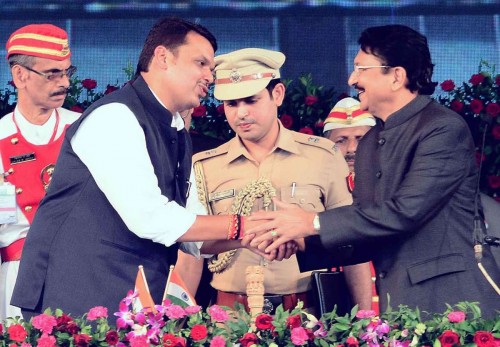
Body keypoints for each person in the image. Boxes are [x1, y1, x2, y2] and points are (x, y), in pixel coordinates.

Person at [11, 17, 284, 320]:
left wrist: (252, 235)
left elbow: (191, 234)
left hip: (128, 304)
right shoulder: (114, 117)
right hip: (76, 300)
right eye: (201, 63)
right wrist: (244, 225)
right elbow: (150, 218)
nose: (210, 75)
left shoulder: (175, 129)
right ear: (163, 57)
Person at [249, 25, 500, 318]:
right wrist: (303, 241)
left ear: (396, 76)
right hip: (400, 310)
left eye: (361, 69)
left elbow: (405, 212)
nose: (352, 79)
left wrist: (312, 222)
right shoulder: (370, 142)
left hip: (452, 306)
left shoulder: (442, 128)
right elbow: (369, 230)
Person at [184, 48, 371, 314]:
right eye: (231, 104)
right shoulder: (203, 166)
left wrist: (365, 324)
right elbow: (191, 252)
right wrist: (174, 324)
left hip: (306, 314)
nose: (241, 114)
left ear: (278, 94)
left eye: (251, 100)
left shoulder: (323, 156)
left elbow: (351, 242)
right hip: (228, 317)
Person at [0, 23, 80, 321]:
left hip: (79, 269)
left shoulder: (85, 129)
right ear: (20, 75)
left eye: (67, 72)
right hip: (15, 278)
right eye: (52, 73)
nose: (64, 83)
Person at [322, 97, 377, 312]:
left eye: (360, 138)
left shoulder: (392, 187)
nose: (352, 148)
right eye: (341, 140)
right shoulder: (317, 188)